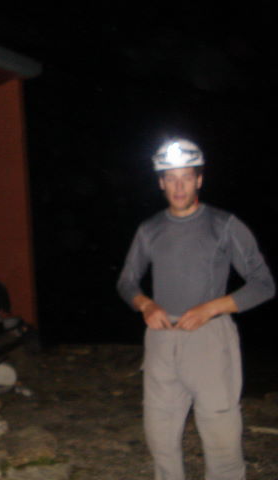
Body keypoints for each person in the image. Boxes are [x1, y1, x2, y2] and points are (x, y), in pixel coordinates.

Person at [116, 137, 275, 480]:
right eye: (170, 178)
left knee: (221, 436)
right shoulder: (149, 229)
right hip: (161, 339)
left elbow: (264, 284)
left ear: (199, 180)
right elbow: (126, 282)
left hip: (209, 339)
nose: (179, 186)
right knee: (160, 434)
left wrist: (212, 308)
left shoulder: (224, 224)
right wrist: (145, 304)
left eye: (186, 177)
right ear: (161, 182)